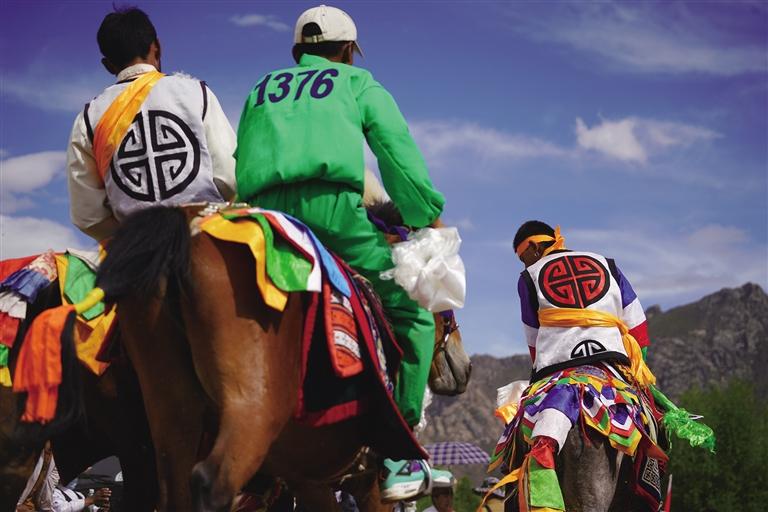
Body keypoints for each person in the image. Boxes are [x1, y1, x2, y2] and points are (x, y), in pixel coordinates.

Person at [234, 4, 445, 501]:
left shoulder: (260, 88)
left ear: (297, 51)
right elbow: (396, 153)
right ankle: (399, 454)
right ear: (348, 50)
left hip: (263, 221)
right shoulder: (357, 83)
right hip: (332, 214)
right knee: (414, 315)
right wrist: (423, 213)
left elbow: (241, 159)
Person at [67, 7, 237, 242]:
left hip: (136, 246)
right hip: (207, 233)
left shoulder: (88, 118)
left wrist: (135, 238)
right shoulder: (194, 92)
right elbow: (229, 177)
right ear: (156, 46)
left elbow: (88, 216)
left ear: (108, 65)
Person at [513, 220, 651, 383]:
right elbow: (636, 324)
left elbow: (533, 340)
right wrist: (638, 370)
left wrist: (538, 377)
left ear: (534, 247)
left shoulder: (529, 277)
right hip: (614, 361)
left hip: (557, 367)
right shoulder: (607, 263)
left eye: (523, 258)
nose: (525, 265)